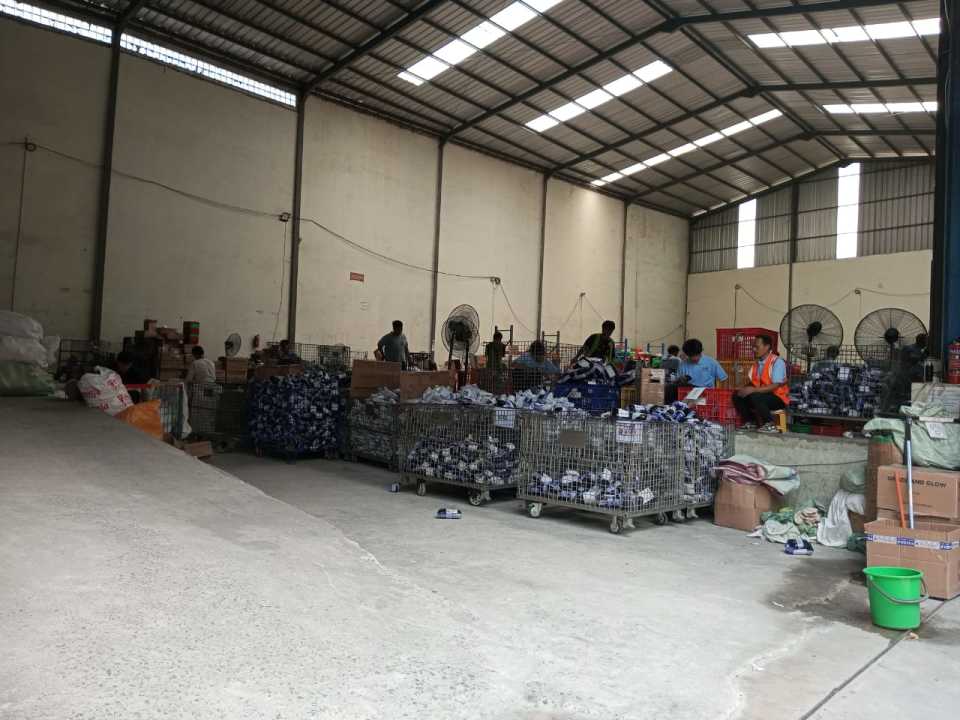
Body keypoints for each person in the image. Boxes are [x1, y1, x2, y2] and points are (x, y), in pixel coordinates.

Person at [734, 334, 789, 432]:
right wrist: (743, 389)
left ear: (767, 347)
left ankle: (770, 424)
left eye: (757, 347)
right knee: (738, 395)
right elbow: (754, 382)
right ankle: (751, 422)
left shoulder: (777, 362)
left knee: (755, 395)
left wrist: (753, 390)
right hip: (763, 395)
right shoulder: (757, 364)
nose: (754, 349)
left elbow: (775, 386)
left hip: (778, 398)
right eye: (753, 347)